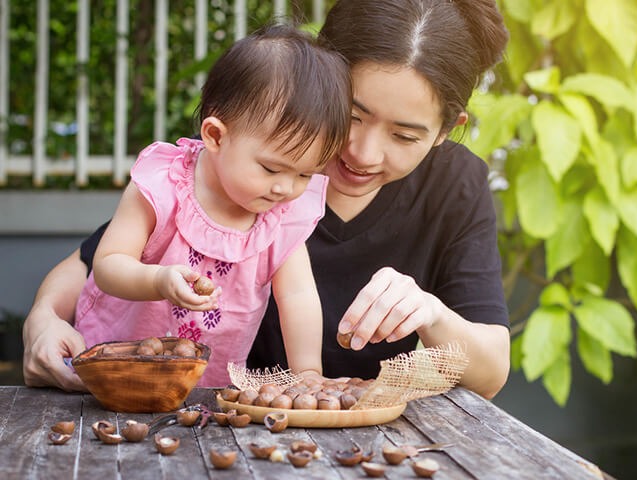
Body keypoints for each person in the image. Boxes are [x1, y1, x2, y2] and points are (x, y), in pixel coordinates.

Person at [23, 0, 511, 398]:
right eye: (352, 116)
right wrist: (43, 321)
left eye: (405, 136)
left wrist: (432, 313)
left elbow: (490, 375)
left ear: (448, 129)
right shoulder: (245, 158)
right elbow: (90, 263)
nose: (361, 153)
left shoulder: (455, 185)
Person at [66, 24, 351, 387]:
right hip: (115, 371)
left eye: (305, 175)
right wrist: (159, 280)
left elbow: (298, 295)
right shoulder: (162, 184)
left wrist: (308, 372)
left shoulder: (282, 215)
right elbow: (107, 266)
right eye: (271, 168)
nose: (285, 188)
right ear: (215, 135)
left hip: (206, 387)